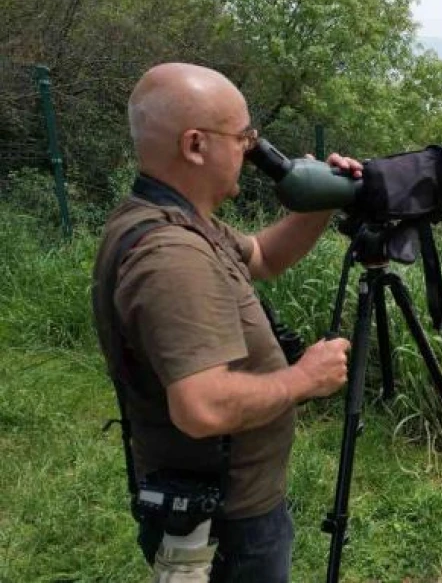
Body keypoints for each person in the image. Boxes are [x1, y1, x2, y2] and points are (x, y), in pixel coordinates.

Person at [91, 62, 357, 581]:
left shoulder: (179, 219)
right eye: (242, 138)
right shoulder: (172, 256)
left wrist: (320, 201)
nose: (250, 150)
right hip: (227, 524)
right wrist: (305, 378)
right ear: (195, 145)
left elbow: (262, 257)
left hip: (227, 503)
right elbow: (202, 408)